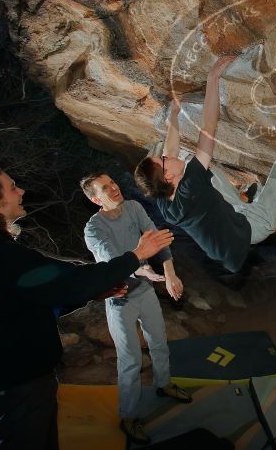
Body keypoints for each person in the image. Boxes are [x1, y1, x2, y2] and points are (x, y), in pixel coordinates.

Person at [0, 164, 173, 449]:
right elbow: (70, 278)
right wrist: (136, 255)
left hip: (17, 378)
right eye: (12, 187)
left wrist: (92, 294)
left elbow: (42, 293)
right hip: (16, 383)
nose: (21, 191)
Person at [134, 56, 276, 274]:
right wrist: (213, 77)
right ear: (168, 176)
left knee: (202, 166)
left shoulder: (162, 196)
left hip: (230, 214)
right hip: (252, 226)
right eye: (163, 161)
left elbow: (170, 150)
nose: (166, 155)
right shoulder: (190, 189)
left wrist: (174, 117)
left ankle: (244, 196)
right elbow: (209, 125)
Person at [80, 172, 191, 445]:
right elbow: (114, 261)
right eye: (105, 188)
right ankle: (128, 416)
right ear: (96, 199)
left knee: (159, 341)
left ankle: (163, 384)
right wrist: (145, 271)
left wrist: (170, 274)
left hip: (145, 292)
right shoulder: (93, 229)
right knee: (130, 359)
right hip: (120, 299)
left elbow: (157, 239)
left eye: (113, 182)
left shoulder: (133, 207)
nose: (114, 188)